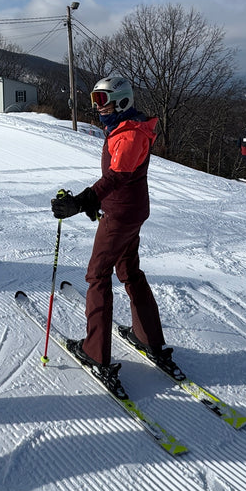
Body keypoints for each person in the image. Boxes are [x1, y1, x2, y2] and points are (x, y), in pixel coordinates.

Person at [50, 76, 176, 391]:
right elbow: (120, 178)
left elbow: (117, 177)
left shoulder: (130, 134)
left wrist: (83, 201)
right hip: (129, 210)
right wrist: (96, 203)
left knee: (98, 276)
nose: (97, 108)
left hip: (121, 215)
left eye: (102, 101)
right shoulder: (125, 128)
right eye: (95, 100)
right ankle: (148, 338)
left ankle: (96, 353)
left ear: (121, 101)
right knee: (129, 270)